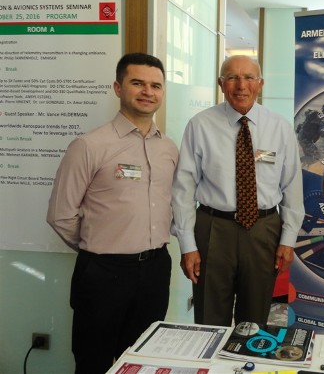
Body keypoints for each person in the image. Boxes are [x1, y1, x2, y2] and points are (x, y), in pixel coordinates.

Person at [46, 53, 179, 374]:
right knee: (93, 361)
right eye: (138, 83)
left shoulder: (170, 149)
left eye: (155, 85)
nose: (148, 91)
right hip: (102, 272)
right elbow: (61, 214)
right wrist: (98, 244)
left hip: (155, 270)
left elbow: (173, 203)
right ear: (118, 87)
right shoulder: (89, 145)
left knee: (143, 360)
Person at [171, 55, 304, 326]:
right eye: (232, 77)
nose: (240, 85)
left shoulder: (280, 127)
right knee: (209, 319)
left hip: (263, 230)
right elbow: (183, 189)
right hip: (213, 230)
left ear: (260, 84)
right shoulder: (200, 125)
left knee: (255, 322)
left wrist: (288, 239)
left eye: (248, 78)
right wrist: (187, 245)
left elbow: (292, 186)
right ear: (221, 84)